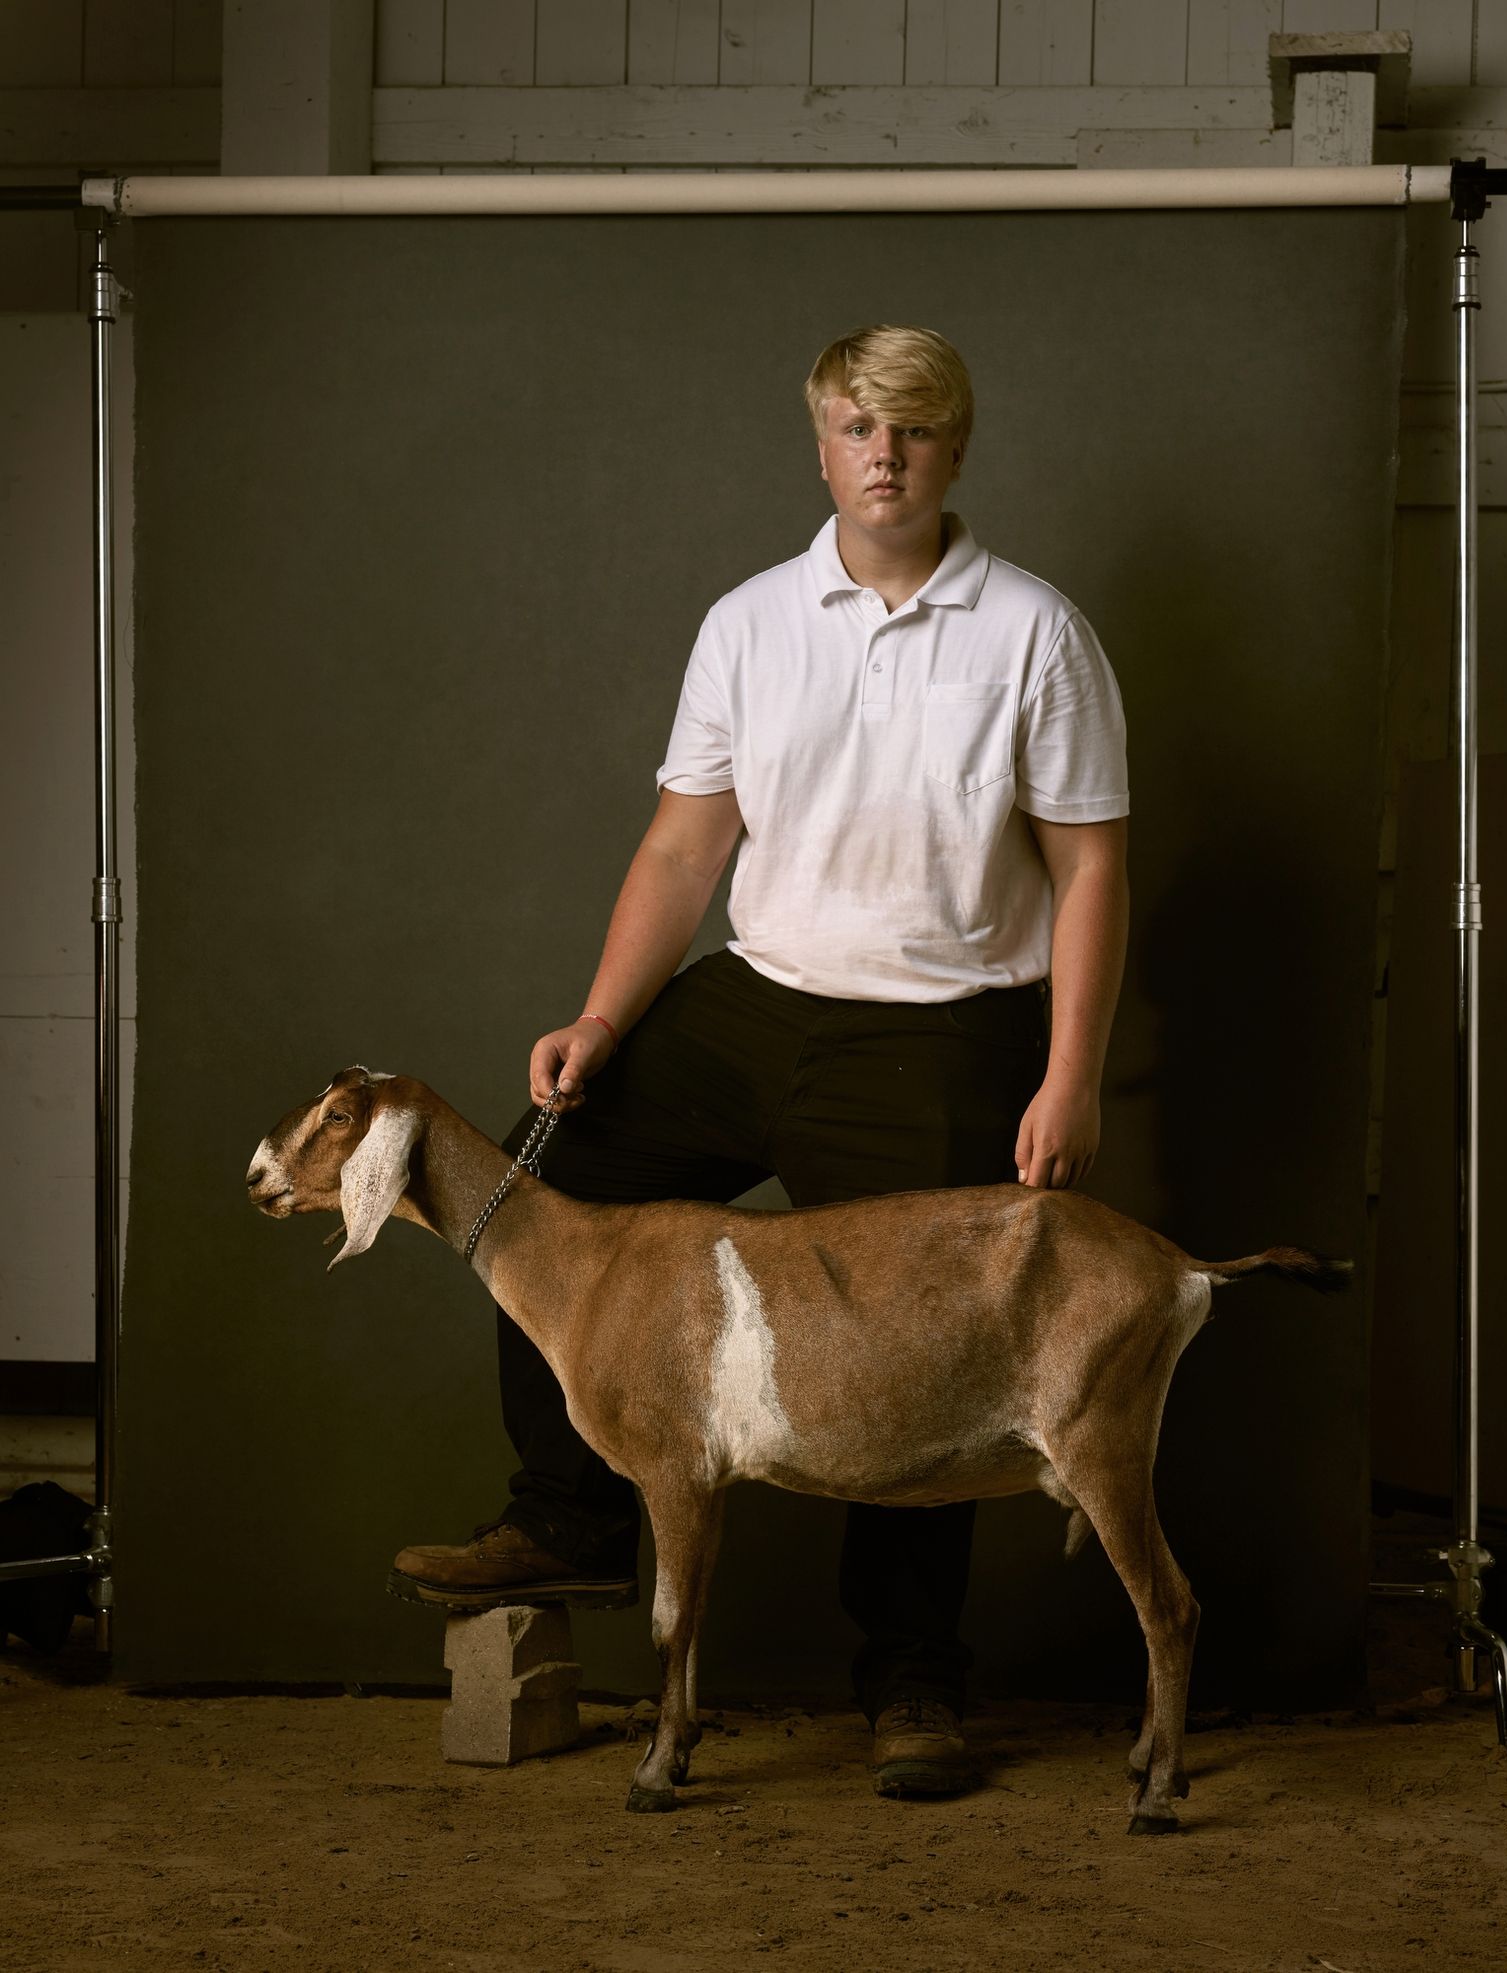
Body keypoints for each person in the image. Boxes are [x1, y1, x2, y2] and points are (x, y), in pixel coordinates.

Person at [392, 325, 1130, 1797]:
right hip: (762, 997)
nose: (884, 454)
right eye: (858, 427)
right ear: (820, 444)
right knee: (553, 1171)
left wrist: (1072, 1071)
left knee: (921, 1345)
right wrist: (601, 1019)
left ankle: (912, 1676)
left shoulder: (1036, 631)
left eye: (912, 432)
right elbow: (685, 843)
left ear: (956, 449)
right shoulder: (748, 622)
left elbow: (1092, 865)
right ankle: (577, 1510)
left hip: (940, 1023)